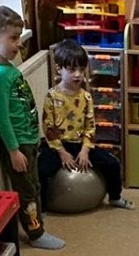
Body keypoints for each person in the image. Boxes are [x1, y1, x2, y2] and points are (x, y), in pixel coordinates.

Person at [0, 5, 65, 251]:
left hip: (28, 141)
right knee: (27, 191)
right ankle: (36, 234)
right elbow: (2, 118)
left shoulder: (8, 69)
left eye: (19, 37)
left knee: (34, 186)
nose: (19, 44)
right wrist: (13, 151)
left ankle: (36, 220)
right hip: (18, 145)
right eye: (13, 38)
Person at [40, 39, 133, 209]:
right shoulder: (52, 96)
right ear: (59, 69)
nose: (77, 75)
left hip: (80, 144)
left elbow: (90, 126)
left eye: (81, 70)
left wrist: (85, 150)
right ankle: (42, 207)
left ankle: (115, 197)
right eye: (72, 69)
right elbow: (48, 128)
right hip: (57, 145)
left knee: (112, 163)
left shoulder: (86, 97)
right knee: (43, 170)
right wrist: (62, 153)